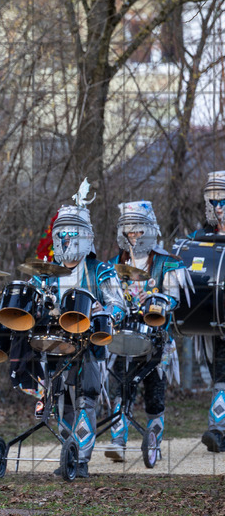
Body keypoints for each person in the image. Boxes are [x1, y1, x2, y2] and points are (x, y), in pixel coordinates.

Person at [21, 195, 126, 478]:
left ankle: (81, 461)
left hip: (90, 346)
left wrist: (104, 309)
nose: (66, 239)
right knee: (63, 402)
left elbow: (118, 304)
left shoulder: (100, 270)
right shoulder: (46, 274)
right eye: (62, 233)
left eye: (72, 233)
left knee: (86, 400)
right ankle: (69, 458)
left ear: (85, 237)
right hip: (57, 343)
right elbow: (30, 301)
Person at [105, 201, 187, 462]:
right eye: (129, 230)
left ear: (149, 230)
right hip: (123, 337)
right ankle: (118, 442)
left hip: (157, 339)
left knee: (154, 393)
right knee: (121, 387)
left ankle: (153, 443)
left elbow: (175, 297)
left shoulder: (166, 262)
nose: (133, 235)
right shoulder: (113, 264)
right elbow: (107, 295)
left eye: (138, 230)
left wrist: (162, 301)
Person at [191, 171, 225, 452]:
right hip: (214, 314)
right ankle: (218, 430)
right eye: (213, 200)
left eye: (223, 200)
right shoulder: (200, 236)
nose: (218, 206)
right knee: (220, 370)